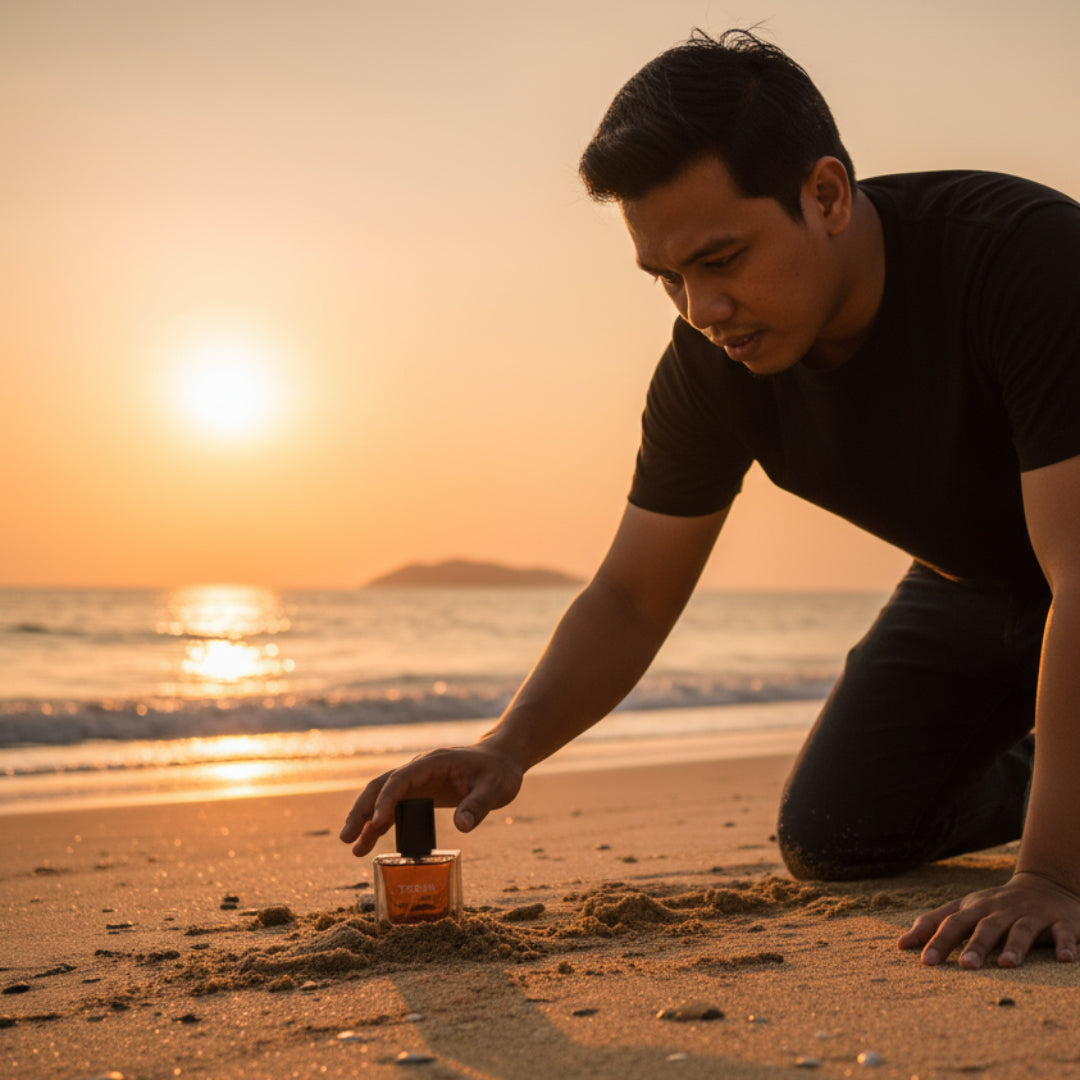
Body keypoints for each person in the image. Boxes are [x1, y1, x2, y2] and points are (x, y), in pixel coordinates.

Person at [341, 29, 1080, 971]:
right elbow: (633, 594)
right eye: (668, 278)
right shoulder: (713, 366)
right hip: (973, 582)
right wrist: (510, 742)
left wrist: (1053, 873)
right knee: (836, 834)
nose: (701, 310)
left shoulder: (1025, 261)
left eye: (722, 260)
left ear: (825, 195)